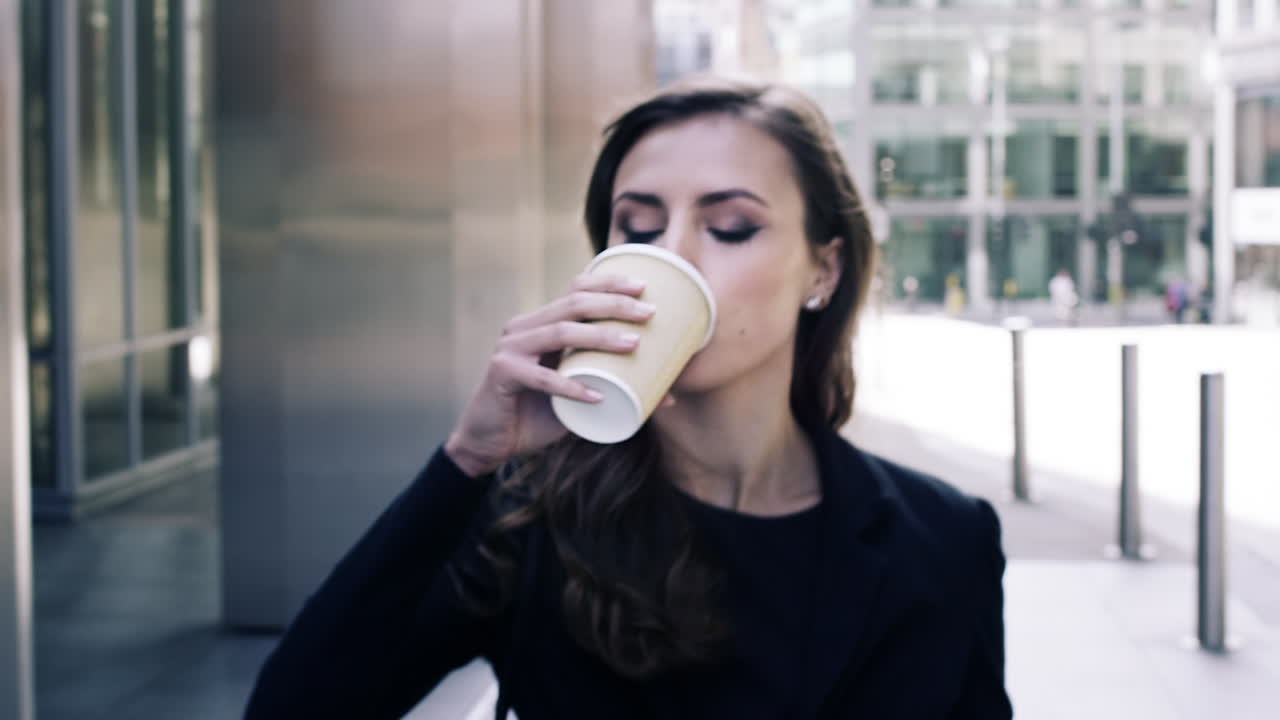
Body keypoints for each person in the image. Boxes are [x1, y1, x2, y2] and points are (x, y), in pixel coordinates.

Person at [245, 78, 1012, 719]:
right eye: (638, 226)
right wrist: (466, 461)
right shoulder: (530, 516)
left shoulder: (944, 540)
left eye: (732, 226)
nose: (669, 254)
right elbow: (294, 708)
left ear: (824, 270)